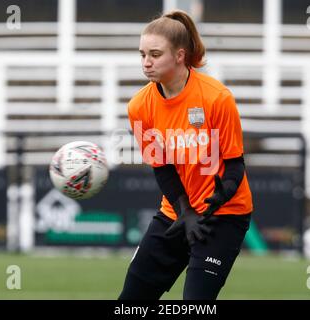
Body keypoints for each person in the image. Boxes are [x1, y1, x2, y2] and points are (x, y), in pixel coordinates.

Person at [118, 10, 253, 300]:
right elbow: (162, 167)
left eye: (155, 54)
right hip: (176, 213)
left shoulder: (217, 98)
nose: (146, 62)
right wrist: (185, 211)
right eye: (142, 54)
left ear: (180, 56)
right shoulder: (139, 107)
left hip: (224, 214)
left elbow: (234, 165)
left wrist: (221, 195)